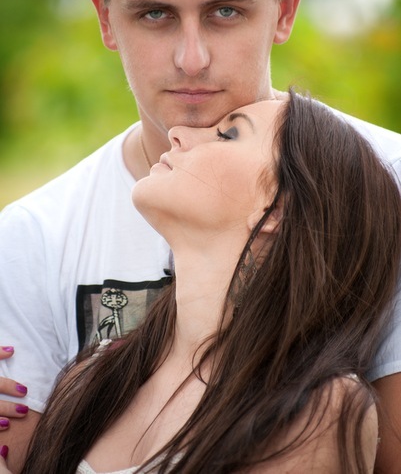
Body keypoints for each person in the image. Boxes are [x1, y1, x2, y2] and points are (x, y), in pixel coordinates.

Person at [0, 0, 401, 471]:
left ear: (285, 7)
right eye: (155, 15)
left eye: (225, 11)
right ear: (105, 17)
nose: (192, 59)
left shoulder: (386, 184)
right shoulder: (32, 237)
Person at [1, 91, 401, 473]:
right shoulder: (92, 378)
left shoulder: (317, 407)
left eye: (228, 134)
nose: (177, 133)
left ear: (278, 208)